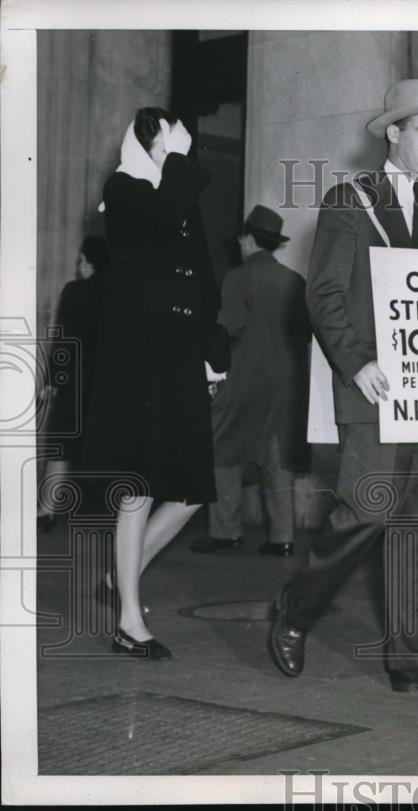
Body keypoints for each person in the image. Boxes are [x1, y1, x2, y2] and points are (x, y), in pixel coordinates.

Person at [268, 79, 418, 697]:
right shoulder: (349, 201)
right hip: (372, 386)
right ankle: (296, 611)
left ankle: (415, 658)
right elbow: (323, 294)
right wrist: (356, 362)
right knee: (365, 511)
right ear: (393, 133)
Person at [83, 107, 224, 659]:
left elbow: (203, 276)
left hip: (181, 357)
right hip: (138, 360)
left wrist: (214, 357)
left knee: (192, 489)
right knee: (140, 487)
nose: (179, 160)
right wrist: (182, 166)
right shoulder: (123, 190)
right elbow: (164, 222)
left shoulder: (173, 197)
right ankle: (128, 621)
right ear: (146, 148)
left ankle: (125, 572)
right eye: (170, 148)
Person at [190, 205, 311, 558]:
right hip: (288, 386)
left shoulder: (236, 278)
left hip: (244, 382)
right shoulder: (295, 281)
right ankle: (283, 538)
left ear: (248, 239)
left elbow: (227, 329)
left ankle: (226, 531)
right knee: (278, 458)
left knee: (221, 450)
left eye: (241, 237)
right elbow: (305, 333)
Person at [37, 235, 107, 531]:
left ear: (91, 262)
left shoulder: (75, 291)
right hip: (108, 382)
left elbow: (64, 341)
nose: (79, 267)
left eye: (82, 260)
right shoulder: (120, 294)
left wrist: (52, 380)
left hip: (76, 381)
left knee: (61, 444)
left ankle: (48, 509)